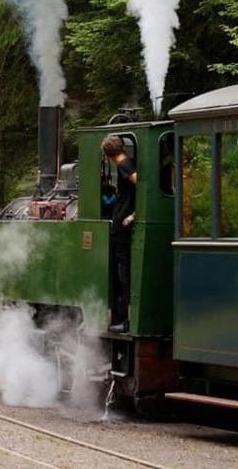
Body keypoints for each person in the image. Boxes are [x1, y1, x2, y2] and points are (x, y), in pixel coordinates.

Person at [101, 134, 137, 332]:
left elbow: (140, 183)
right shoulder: (127, 163)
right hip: (122, 222)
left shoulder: (124, 166)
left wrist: (134, 214)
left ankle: (125, 317)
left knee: (123, 273)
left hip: (122, 226)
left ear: (108, 155)